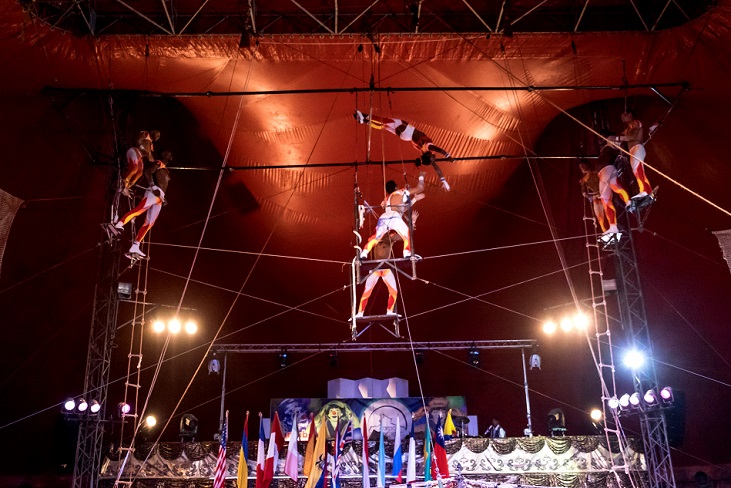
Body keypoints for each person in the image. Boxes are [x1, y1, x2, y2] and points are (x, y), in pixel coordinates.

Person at [354, 110, 452, 191]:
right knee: (384, 126)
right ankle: (364, 121)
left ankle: (364, 116)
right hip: (405, 137)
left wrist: (447, 155)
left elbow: (438, 150)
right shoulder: (425, 154)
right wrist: (443, 180)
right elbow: (436, 167)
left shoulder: (429, 147)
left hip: (407, 130)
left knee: (384, 121)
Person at [355, 212, 419, 318]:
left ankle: (389, 311)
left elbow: (406, 234)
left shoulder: (390, 239)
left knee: (394, 291)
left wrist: (412, 222)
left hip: (386, 269)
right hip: (375, 269)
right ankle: (360, 313)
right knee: (367, 292)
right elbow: (374, 237)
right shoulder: (378, 236)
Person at [114, 150, 172, 258]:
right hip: (154, 192)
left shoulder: (167, 170)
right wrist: (153, 186)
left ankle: (135, 245)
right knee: (139, 210)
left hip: (160, 197)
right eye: (168, 153)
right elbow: (147, 173)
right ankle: (119, 224)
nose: (170, 154)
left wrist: (164, 198)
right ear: (163, 154)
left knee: (149, 223)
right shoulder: (158, 163)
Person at [360, 173, 425, 260]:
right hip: (395, 217)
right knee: (407, 235)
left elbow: (401, 208)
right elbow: (420, 188)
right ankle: (407, 253)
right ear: (395, 187)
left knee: (376, 237)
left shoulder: (386, 198)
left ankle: (364, 253)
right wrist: (421, 176)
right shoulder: (401, 191)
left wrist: (415, 199)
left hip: (384, 218)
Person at [594, 138, 631, 240]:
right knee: (605, 200)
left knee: (616, 187)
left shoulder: (611, 142)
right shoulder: (603, 150)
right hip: (601, 175)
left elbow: (624, 141)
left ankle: (629, 202)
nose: (599, 141)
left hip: (609, 169)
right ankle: (613, 227)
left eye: (601, 137)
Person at [611, 111, 652, 200]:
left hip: (637, 147)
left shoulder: (634, 123)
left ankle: (645, 191)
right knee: (637, 171)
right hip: (632, 150)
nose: (622, 118)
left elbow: (631, 137)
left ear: (630, 115)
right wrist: (612, 138)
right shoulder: (628, 128)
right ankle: (647, 191)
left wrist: (617, 138)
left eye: (624, 115)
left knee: (638, 169)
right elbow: (622, 136)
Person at [120, 130, 161, 197]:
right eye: (158, 134)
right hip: (134, 151)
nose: (158, 136)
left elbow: (150, 158)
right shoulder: (145, 134)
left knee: (140, 172)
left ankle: (127, 187)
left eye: (159, 136)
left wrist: (156, 164)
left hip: (139, 157)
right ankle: (123, 182)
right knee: (135, 167)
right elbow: (137, 141)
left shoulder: (151, 146)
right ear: (153, 131)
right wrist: (143, 150)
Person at [578, 160, 609, 233]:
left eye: (582, 166)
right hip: (595, 197)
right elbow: (584, 192)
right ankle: (605, 232)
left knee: (607, 211)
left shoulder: (597, 172)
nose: (582, 168)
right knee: (600, 217)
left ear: (587, 165)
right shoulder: (584, 180)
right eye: (580, 167)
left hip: (603, 193)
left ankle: (612, 227)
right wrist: (587, 195)